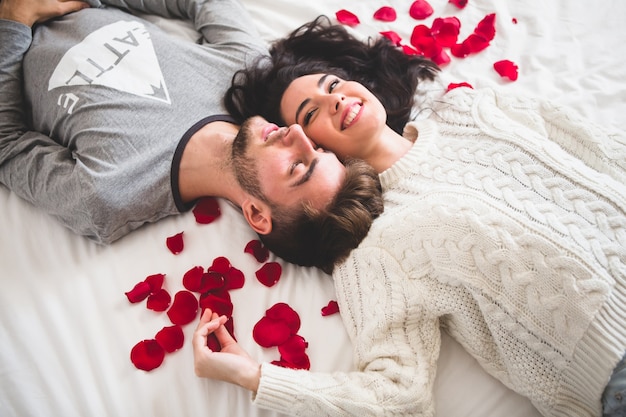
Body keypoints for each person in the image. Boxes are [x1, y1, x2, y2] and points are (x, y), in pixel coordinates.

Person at [193, 18, 626, 417]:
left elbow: (606, 152)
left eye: (333, 84)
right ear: (310, 143)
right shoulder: (373, 250)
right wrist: (255, 376)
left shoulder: (472, 109)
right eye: (309, 114)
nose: (336, 99)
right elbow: (400, 396)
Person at [0, 0, 383, 271]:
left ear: (255, 213)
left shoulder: (106, 195)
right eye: (317, 146)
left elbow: (6, 142)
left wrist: (15, 19)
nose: (297, 133)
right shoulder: (248, 74)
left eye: (299, 166)